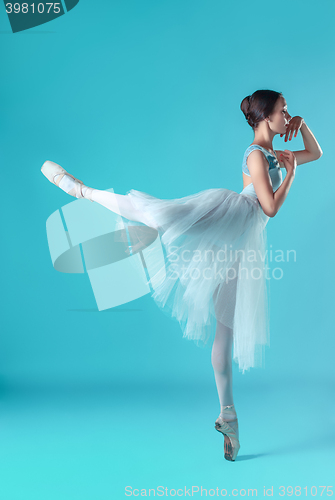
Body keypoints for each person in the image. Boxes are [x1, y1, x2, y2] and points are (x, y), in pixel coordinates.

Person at [41, 89, 323, 462]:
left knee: (227, 326)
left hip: (239, 241)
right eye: (284, 112)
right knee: (156, 214)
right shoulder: (256, 155)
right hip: (229, 216)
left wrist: (303, 127)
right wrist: (292, 174)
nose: (288, 116)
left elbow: (316, 153)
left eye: (289, 112)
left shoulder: (275, 154)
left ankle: (229, 417)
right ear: (266, 118)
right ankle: (82, 191)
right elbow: (269, 206)